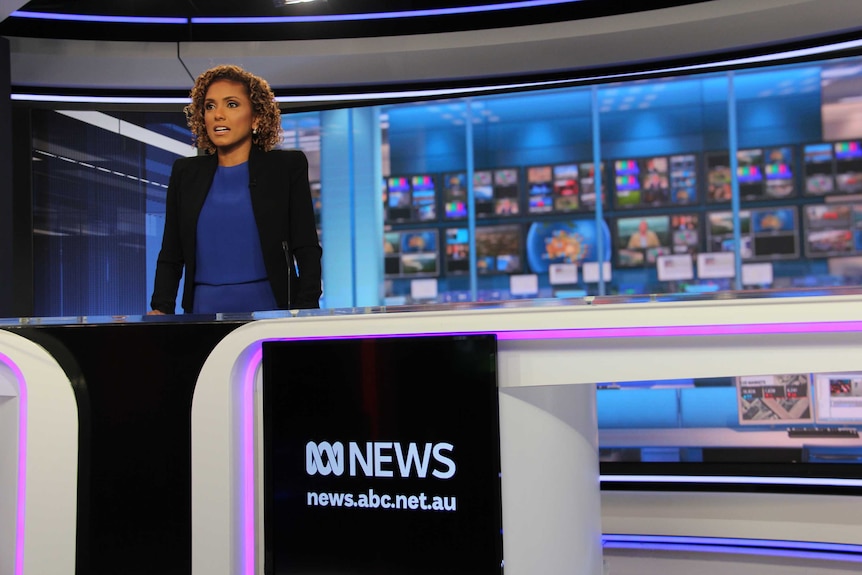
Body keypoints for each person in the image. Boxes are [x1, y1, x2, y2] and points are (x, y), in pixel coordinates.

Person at [149, 64, 321, 314]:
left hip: (270, 311)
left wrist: (307, 308)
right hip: (202, 312)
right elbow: (171, 254)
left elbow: (306, 247)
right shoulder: (185, 173)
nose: (218, 114)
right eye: (210, 106)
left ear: (256, 117)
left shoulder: (286, 167)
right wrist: (161, 309)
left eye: (231, 104)